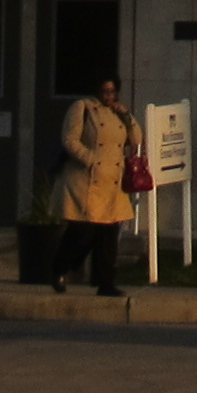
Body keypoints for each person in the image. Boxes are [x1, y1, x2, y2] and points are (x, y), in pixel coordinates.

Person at [51, 77, 138, 295]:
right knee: (83, 231)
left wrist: (127, 116)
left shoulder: (118, 112)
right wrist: (90, 160)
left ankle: (105, 282)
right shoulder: (82, 107)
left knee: (108, 235)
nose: (108, 96)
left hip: (112, 181)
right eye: (104, 91)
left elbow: (136, 140)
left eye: (112, 91)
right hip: (86, 179)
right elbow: (69, 139)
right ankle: (58, 268)